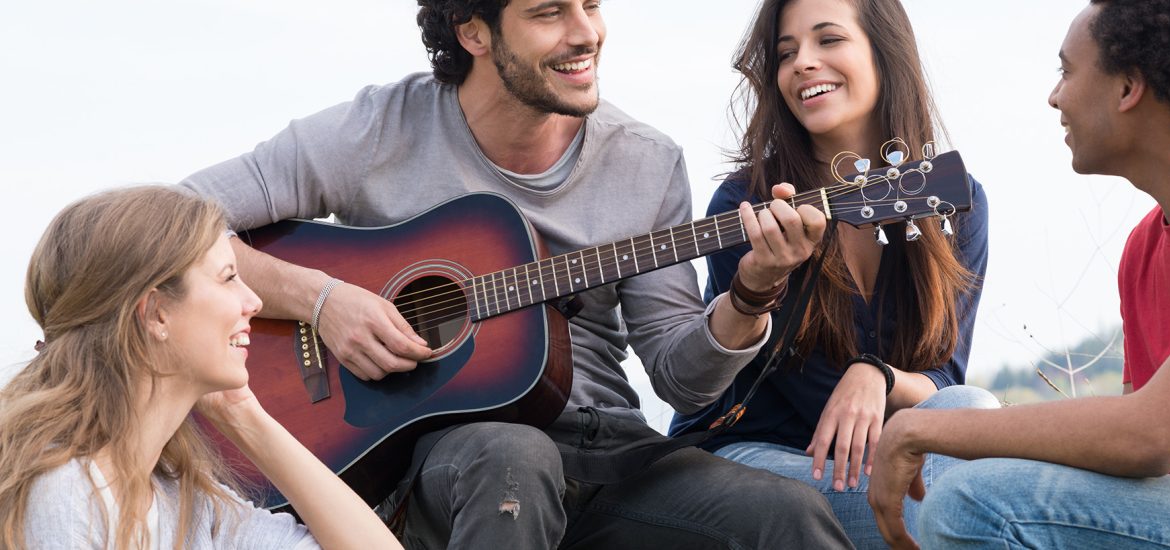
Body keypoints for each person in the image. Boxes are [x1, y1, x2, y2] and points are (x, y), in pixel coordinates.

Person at [180, 0, 852, 548]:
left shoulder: (645, 160)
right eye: (550, 12)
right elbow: (166, 222)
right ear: (474, 31)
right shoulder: (377, 132)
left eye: (591, 5)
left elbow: (681, 378)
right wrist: (321, 299)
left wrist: (753, 291)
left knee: (787, 516)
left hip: (610, 447)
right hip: (450, 456)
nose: (585, 32)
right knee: (514, 460)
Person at [866, 1, 1170, 547]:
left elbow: (1151, 436)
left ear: (1127, 88)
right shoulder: (1142, 250)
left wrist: (922, 426)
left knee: (974, 504)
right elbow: (1131, 445)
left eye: (1067, 70)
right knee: (977, 490)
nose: (1055, 96)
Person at [668, 0, 996, 545]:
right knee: (946, 505)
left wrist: (878, 374)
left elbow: (945, 379)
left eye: (828, 40)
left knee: (973, 408)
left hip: (885, 451)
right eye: (786, 52)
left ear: (884, 55)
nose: (803, 63)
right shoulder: (747, 204)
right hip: (757, 454)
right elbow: (802, 389)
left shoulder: (957, 201)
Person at [0, 186, 401, 549]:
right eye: (229, 279)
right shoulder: (65, 493)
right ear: (157, 313)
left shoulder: (187, 503)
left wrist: (246, 418)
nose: (254, 302)